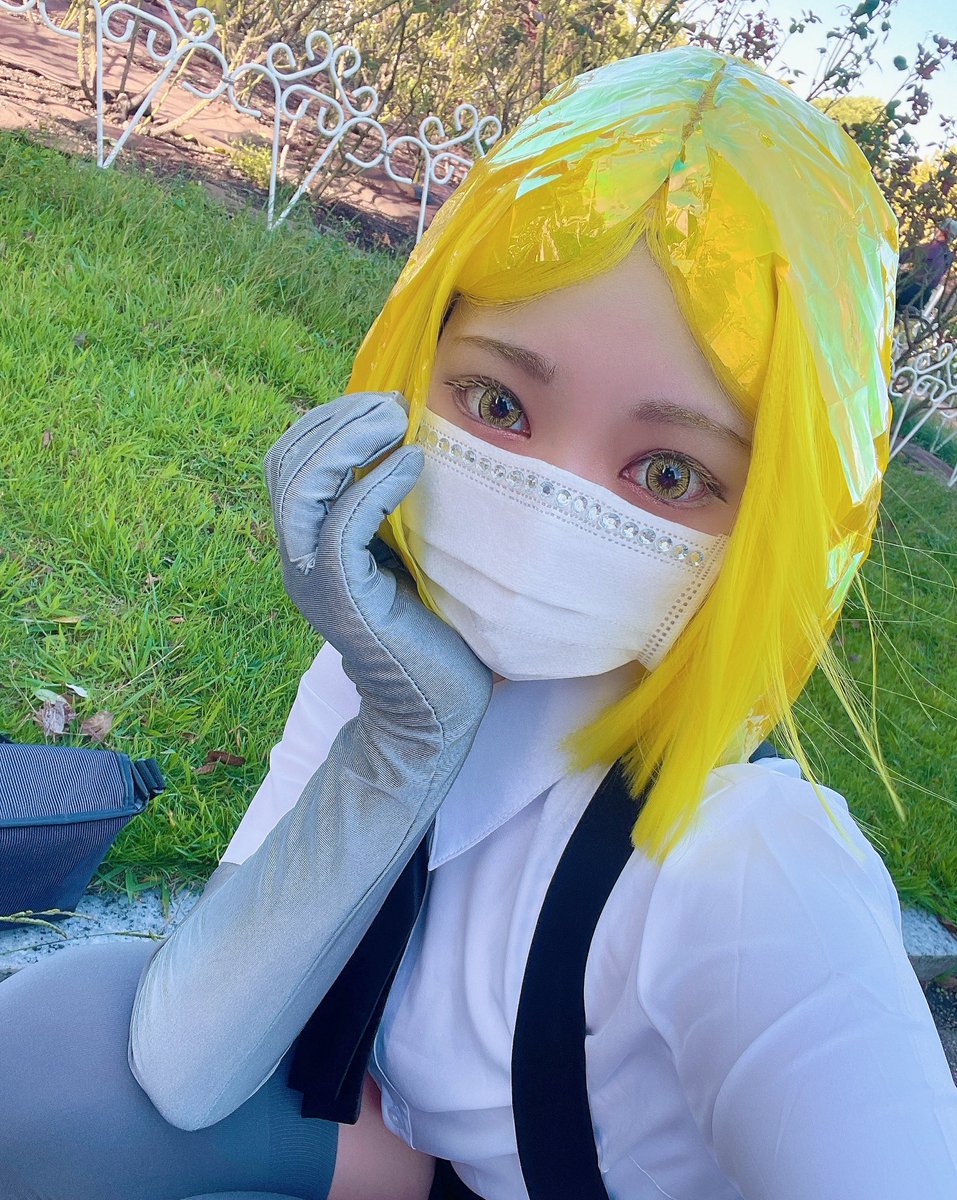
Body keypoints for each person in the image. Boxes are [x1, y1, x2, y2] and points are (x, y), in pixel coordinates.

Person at [2, 45, 956, 1200]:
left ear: (774, 524)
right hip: (420, 1164)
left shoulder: (755, 874)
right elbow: (188, 1063)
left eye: (667, 474)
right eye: (499, 402)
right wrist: (402, 746)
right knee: (60, 1040)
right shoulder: (381, 673)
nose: (550, 508)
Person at [895, 217, 957, 315]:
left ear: (942, 232)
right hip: (925, 297)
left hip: (910, 291)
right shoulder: (948, 257)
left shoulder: (932, 248)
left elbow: (902, 256)